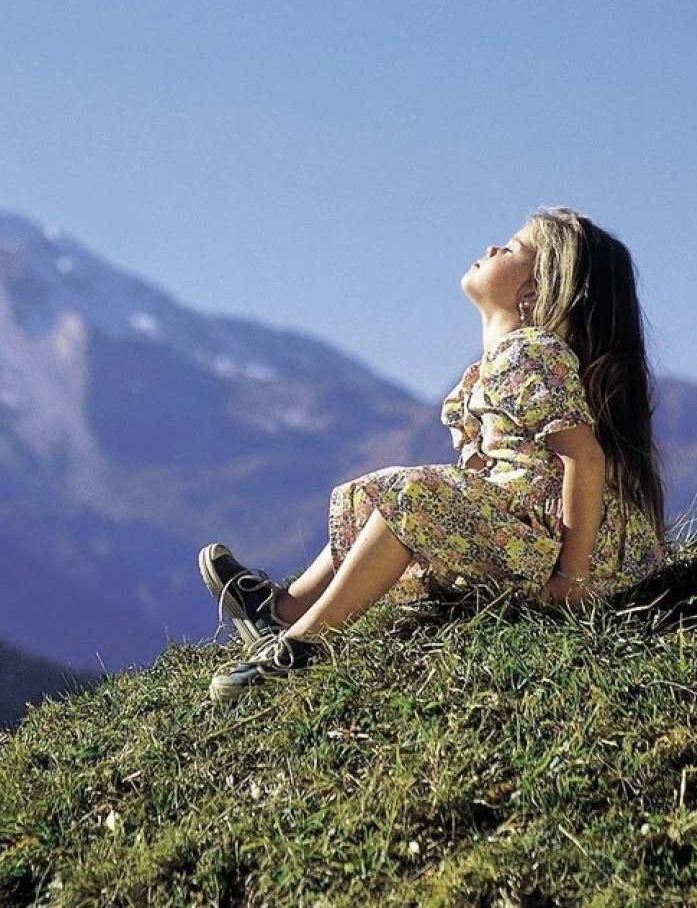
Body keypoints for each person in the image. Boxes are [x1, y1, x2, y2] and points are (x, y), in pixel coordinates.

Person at [200, 207, 667, 703]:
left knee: (414, 496)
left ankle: (304, 645)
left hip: (573, 553)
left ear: (532, 294)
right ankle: (283, 611)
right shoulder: (502, 363)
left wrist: (571, 578)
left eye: (509, 249)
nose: (491, 249)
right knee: (376, 493)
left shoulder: (533, 356)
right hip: (529, 535)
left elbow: (584, 460)